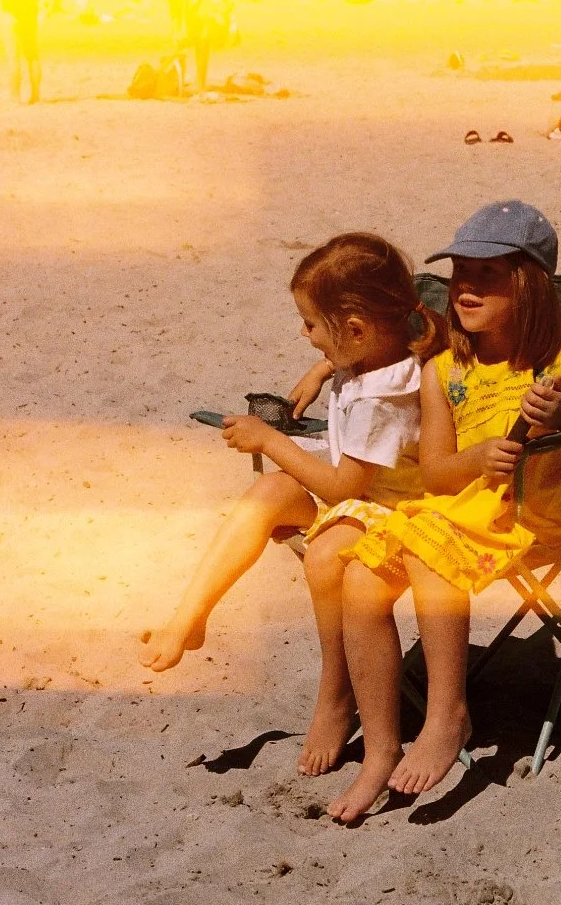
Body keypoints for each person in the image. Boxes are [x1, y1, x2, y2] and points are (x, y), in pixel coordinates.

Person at [327, 201, 561, 822]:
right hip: (455, 512)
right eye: (459, 273)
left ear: (529, 286)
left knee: (427, 552)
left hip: (531, 522)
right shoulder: (443, 369)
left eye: (487, 274)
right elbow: (437, 470)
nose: (465, 287)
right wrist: (476, 457)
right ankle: (381, 748)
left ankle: (447, 715)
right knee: (360, 579)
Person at [139, 233, 446, 776]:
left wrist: (271, 441)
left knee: (326, 546)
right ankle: (190, 618)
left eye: (310, 325)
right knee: (268, 493)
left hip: (397, 518)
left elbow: (344, 489)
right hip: (366, 500)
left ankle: (335, 696)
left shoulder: (384, 399)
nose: (303, 335)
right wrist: (327, 367)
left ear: (354, 329)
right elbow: (368, 363)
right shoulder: (382, 352)